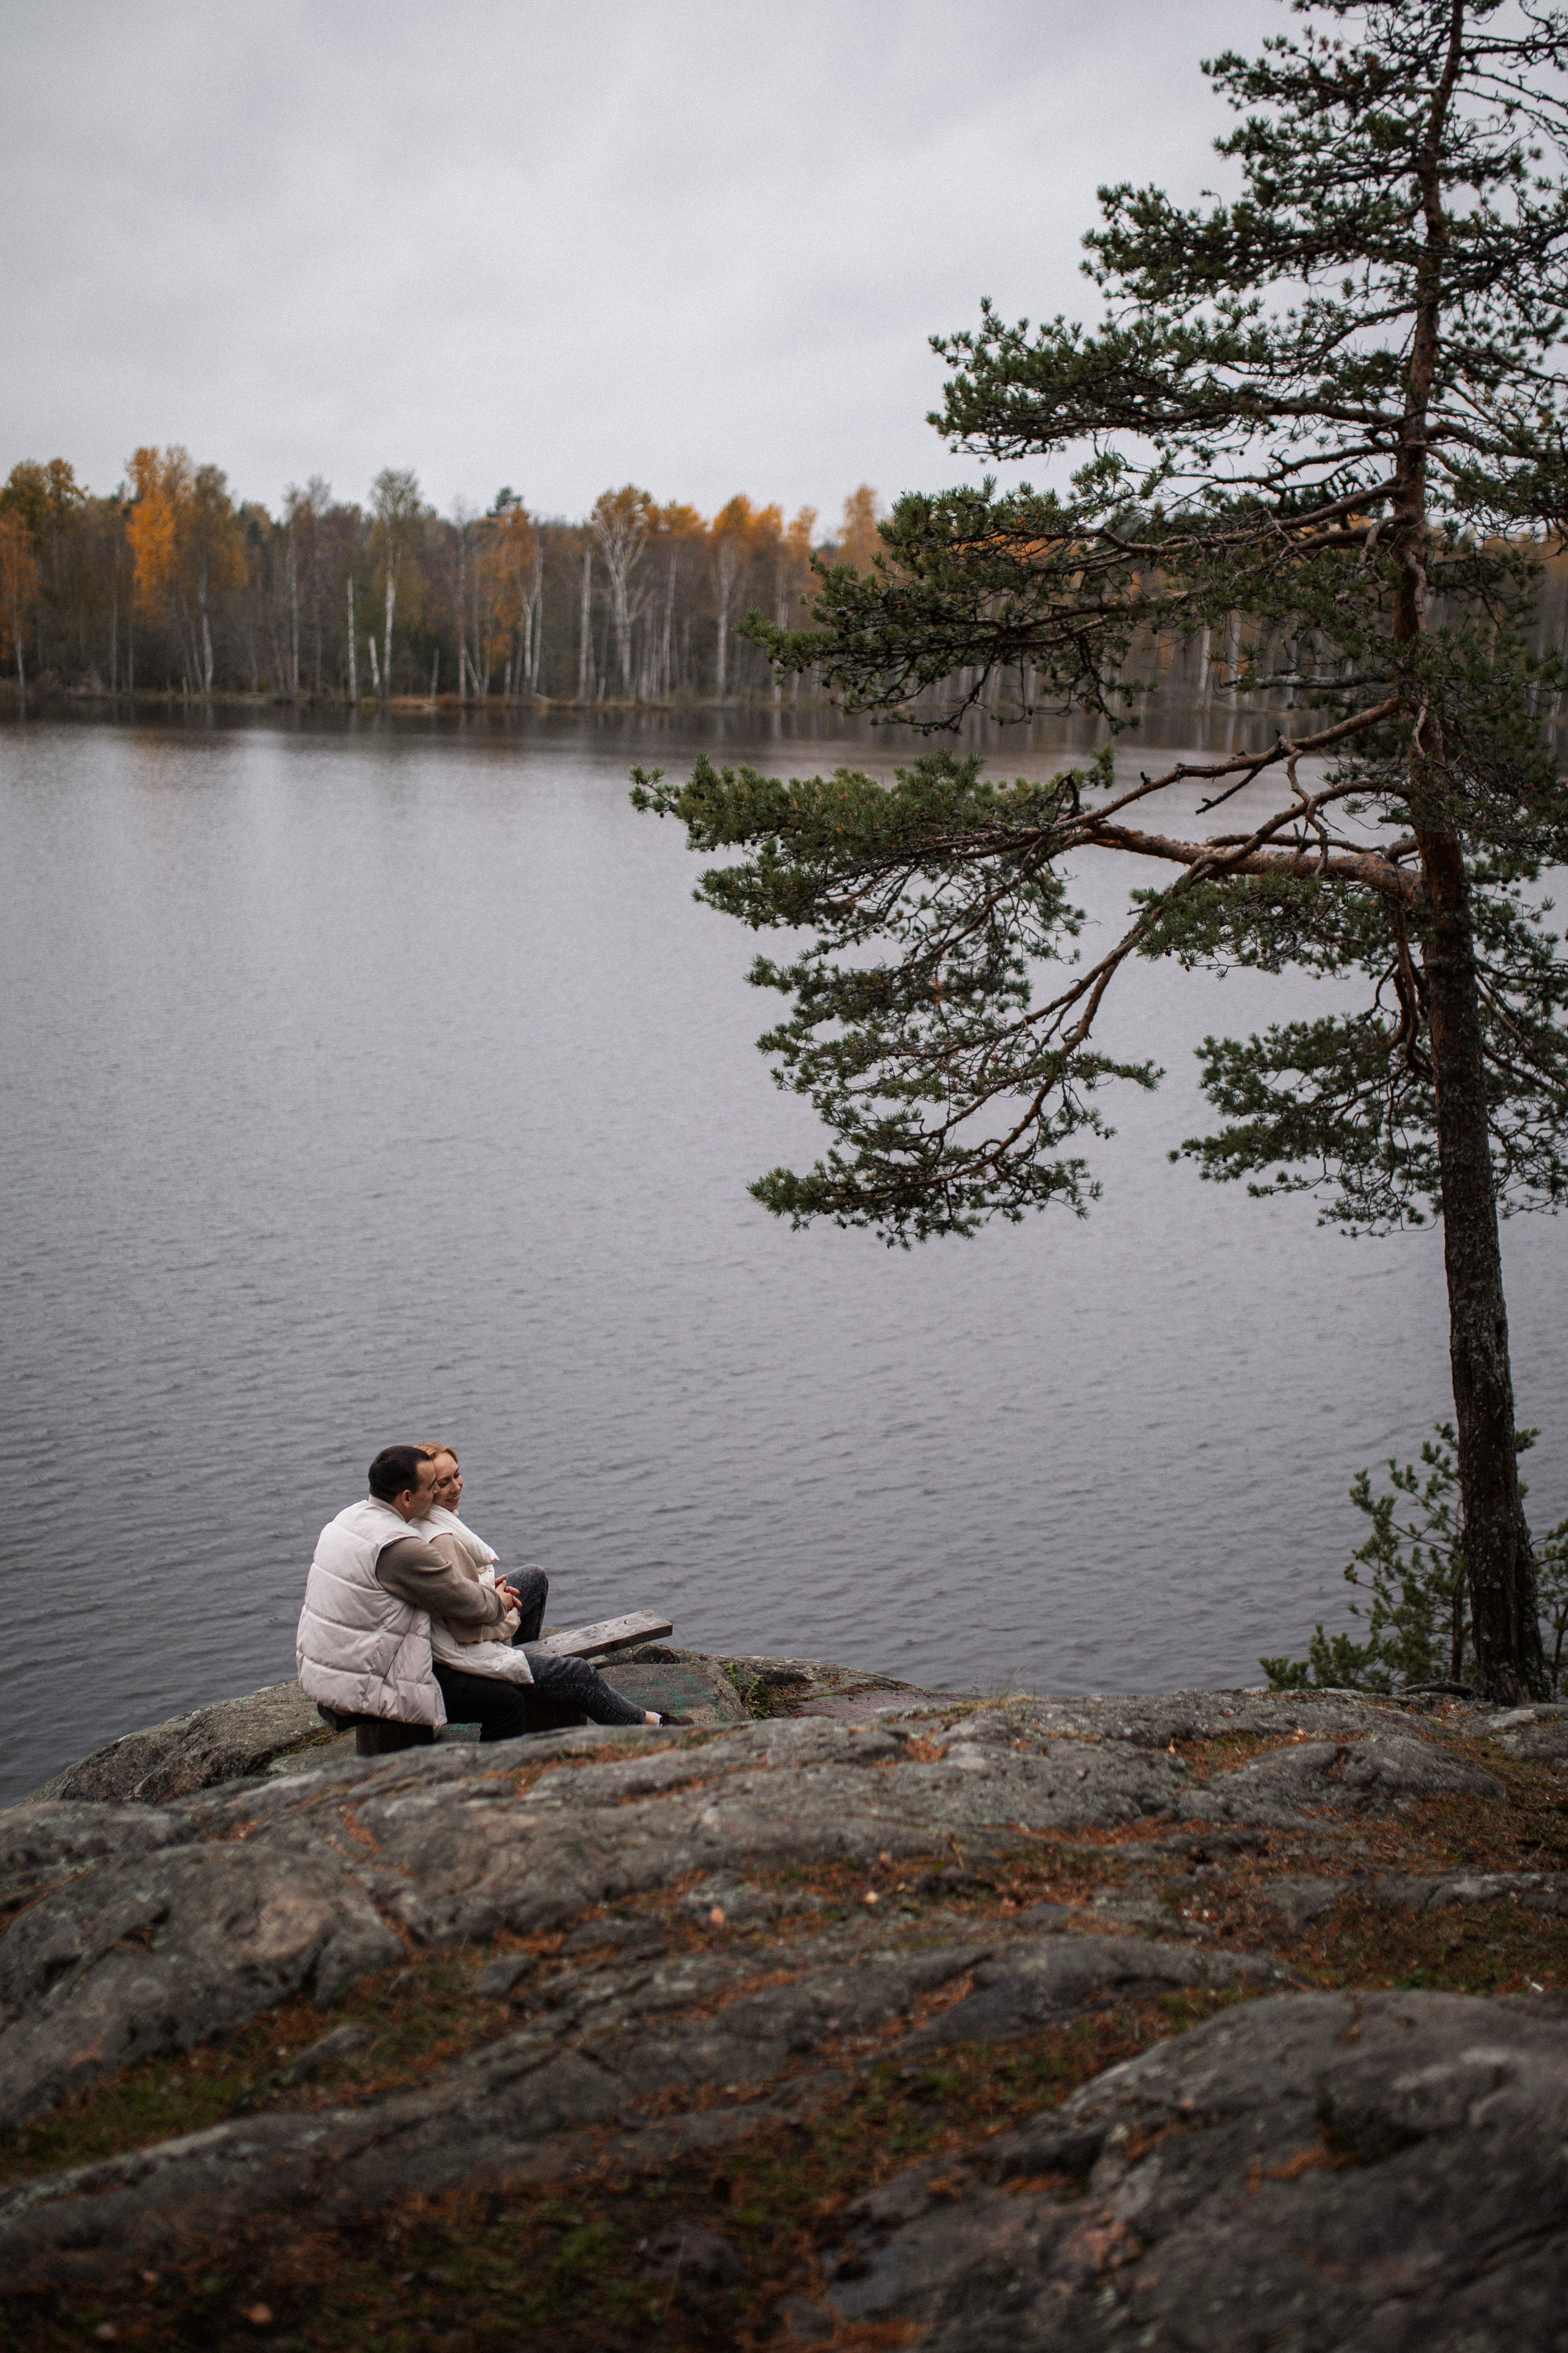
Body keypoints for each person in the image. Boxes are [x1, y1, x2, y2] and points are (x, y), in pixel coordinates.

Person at [415, 1442, 688, 1737]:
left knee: (533, 1578)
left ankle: (532, 1681)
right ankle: (652, 1726)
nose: (456, 1487)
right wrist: (503, 1612)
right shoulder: (440, 1539)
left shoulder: (427, 1521)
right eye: (443, 1483)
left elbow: (457, 1593)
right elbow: (464, 1630)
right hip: (466, 1649)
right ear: (426, 1489)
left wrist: (486, 1592)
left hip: (469, 1621)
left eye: (457, 1475)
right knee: (579, 1674)